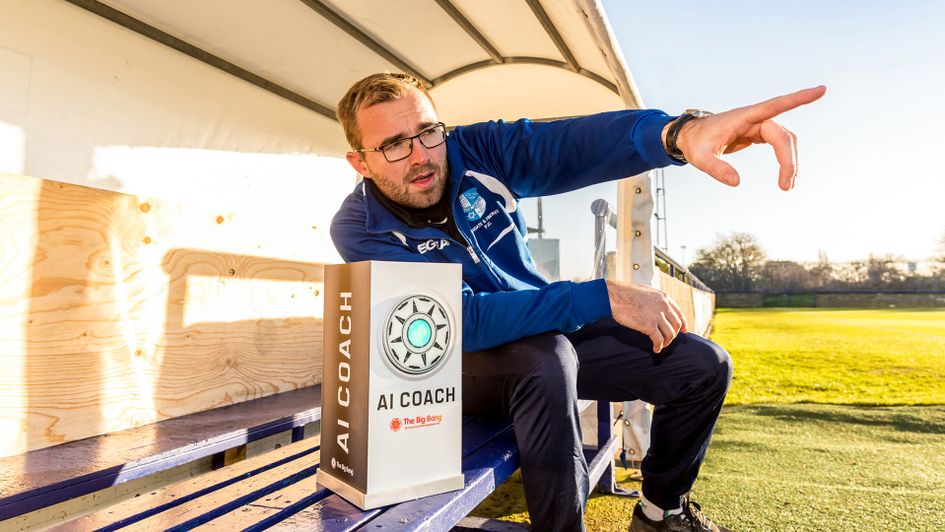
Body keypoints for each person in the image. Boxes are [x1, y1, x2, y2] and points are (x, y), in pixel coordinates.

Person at [330, 72, 825, 532]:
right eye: (393, 145)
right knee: (546, 359)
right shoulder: (357, 226)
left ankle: (660, 513)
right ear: (360, 162)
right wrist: (600, 295)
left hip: (544, 339)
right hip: (454, 374)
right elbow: (457, 323)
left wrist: (676, 134)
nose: (420, 156)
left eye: (427, 132)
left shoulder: (474, 151)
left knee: (702, 364)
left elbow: (569, 146)